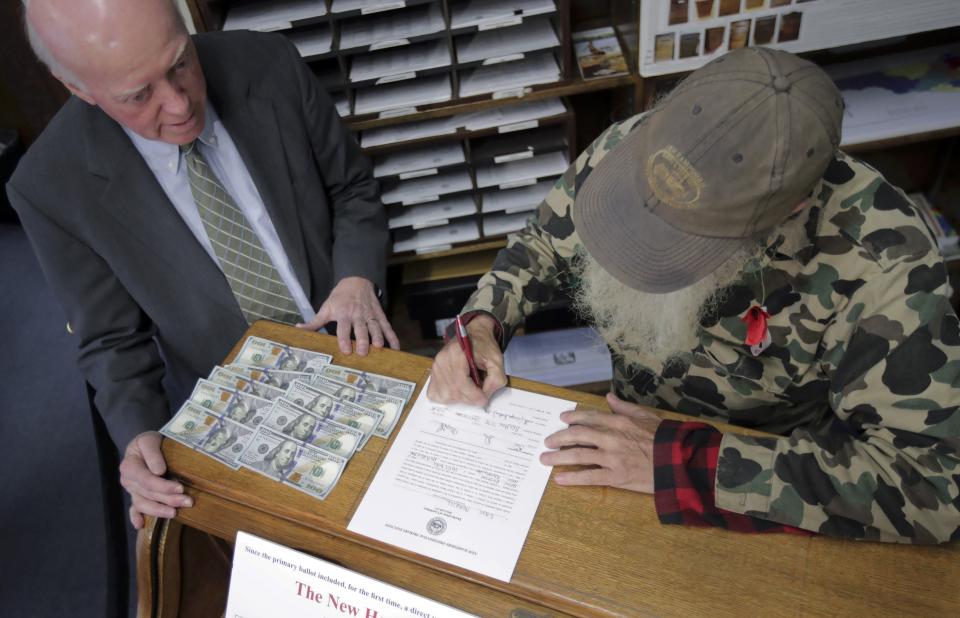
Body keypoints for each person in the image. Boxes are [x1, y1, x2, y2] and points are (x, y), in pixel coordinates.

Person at [429, 48, 960, 543]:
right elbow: (546, 242)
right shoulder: (639, 146)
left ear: (793, 209)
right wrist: (483, 322)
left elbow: (932, 484)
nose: (643, 249)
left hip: (757, 479)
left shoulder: (882, 258)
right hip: (621, 430)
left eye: (686, 239)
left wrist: (684, 463)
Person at [9, 0, 399, 529]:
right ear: (79, 89)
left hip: (361, 351)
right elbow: (112, 341)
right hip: (237, 410)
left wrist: (356, 278)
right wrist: (140, 435)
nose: (179, 105)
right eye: (139, 95)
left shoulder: (268, 62)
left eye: (180, 63)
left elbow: (352, 189)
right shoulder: (51, 184)